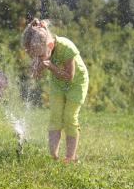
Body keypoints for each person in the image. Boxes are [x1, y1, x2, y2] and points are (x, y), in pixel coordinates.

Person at [22, 18, 89, 163]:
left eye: (39, 56)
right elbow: (35, 74)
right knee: (56, 117)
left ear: (50, 45)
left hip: (76, 83)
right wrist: (37, 69)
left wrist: (51, 67)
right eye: (35, 56)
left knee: (70, 118)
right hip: (58, 84)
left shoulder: (66, 48)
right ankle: (54, 156)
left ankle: (70, 157)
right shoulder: (42, 47)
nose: (38, 59)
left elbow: (69, 77)